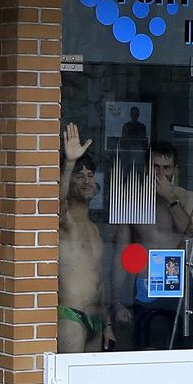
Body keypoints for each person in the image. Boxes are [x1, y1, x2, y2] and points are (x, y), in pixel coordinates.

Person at [122, 137, 193, 349]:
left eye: (166, 168)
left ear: (175, 169)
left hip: (178, 282)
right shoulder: (132, 198)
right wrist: (117, 300)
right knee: (146, 346)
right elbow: (122, 247)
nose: (160, 174)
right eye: (155, 167)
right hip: (145, 281)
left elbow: (189, 232)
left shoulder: (187, 197)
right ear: (146, 167)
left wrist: (170, 198)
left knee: (178, 348)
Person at [57, 123, 121, 354]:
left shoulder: (94, 228)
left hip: (96, 319)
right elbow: (58, 204)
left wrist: (107, 325)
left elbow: (99, 281)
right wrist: (70, 163)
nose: (86, 181)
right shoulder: (66, 222)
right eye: (79, 176)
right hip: (71, 316)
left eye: (90, 175)